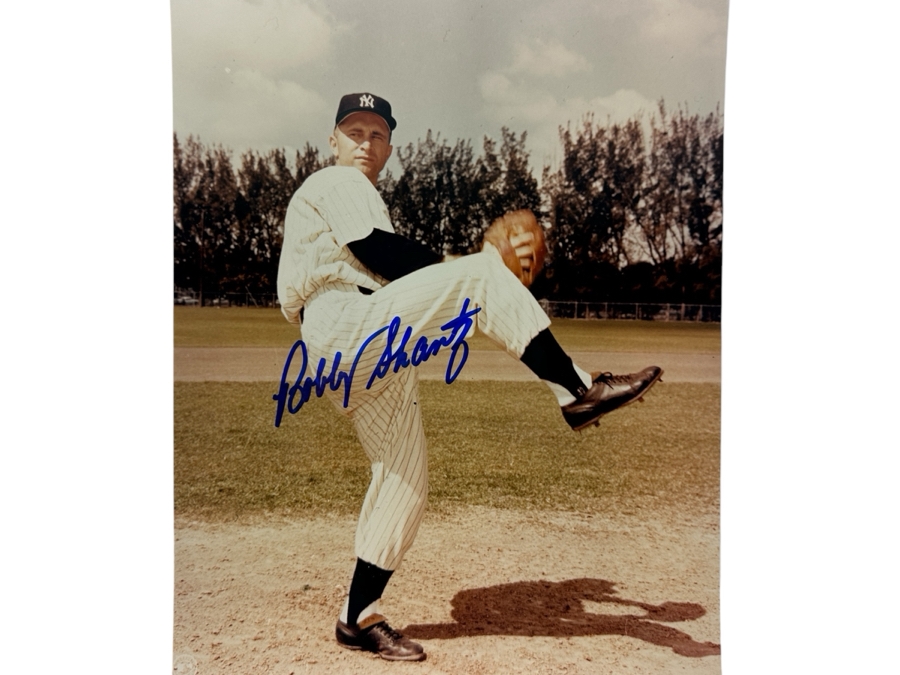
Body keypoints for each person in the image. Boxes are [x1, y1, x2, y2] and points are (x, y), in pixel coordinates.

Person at [276, 92, 662, 662]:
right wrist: (477, 267)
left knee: (404, 480)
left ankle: (356, 618)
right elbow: (377, 250)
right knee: (481, 278)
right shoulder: (334, 183)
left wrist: (470, 271)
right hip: (342, 321)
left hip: (364, 344)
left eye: (377, 134)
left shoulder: (364, 194)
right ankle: (579, 390)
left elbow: (394, 265)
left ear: (388, 148)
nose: (365, 142)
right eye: (353, 131)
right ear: (333, 141)